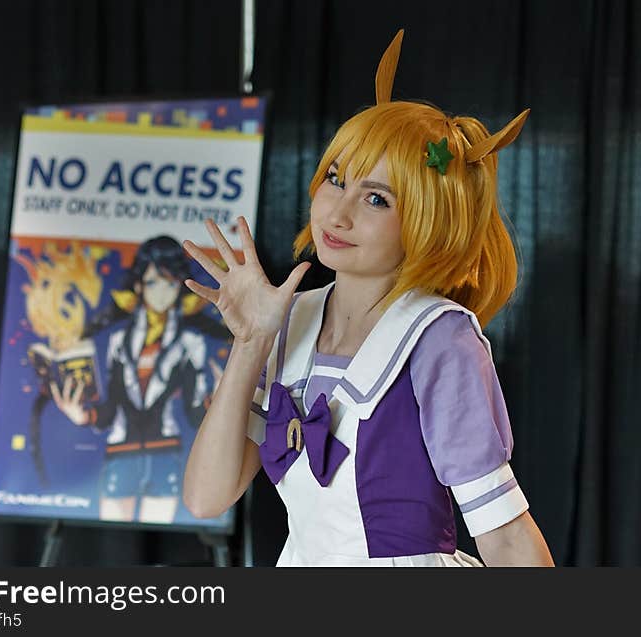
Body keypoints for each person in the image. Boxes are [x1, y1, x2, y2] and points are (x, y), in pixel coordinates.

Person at [182, 30, 554, 566]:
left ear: (428, 223)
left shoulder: (439, 338)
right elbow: (206, 497)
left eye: (376, 198)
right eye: (336, 179)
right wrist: (252, 340)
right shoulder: (289, 321)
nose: (338, 212)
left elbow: (505, 535)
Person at [51, 235, 228, 524]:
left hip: (165, 452)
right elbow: (111, 408)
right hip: (121, 453)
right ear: (138, 286)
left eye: (170, 284)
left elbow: (195, 414)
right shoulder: (119, 341)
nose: (161, 293)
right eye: (152, 283)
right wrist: (86, 416)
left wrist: (218, 401)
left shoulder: (189, 343)